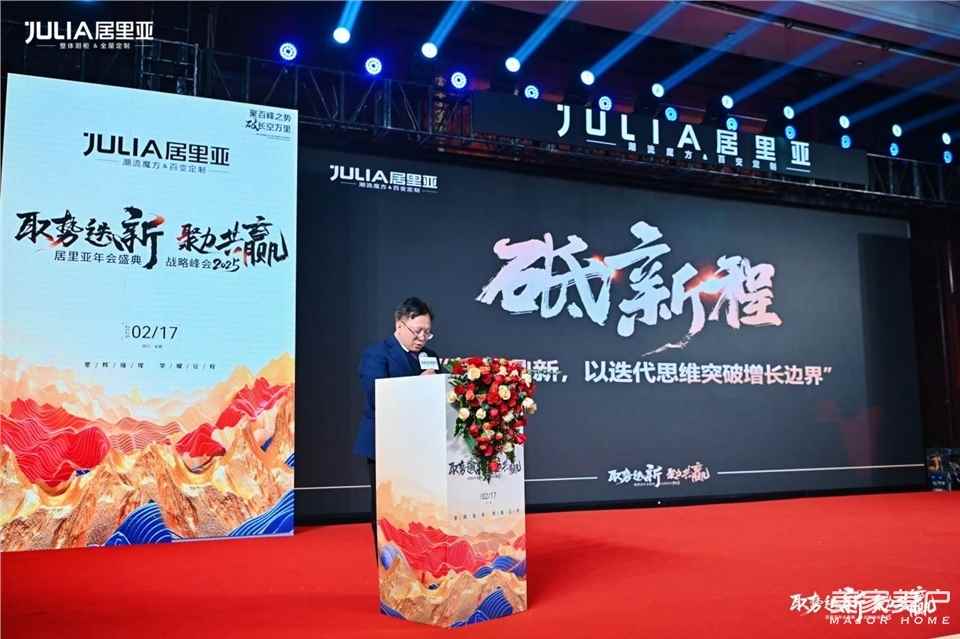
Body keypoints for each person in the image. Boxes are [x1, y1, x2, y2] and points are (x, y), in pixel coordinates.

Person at [354, 297, 442, 558]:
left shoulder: (430, 357)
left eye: (427, 332)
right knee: (388, 510)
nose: (422, 338)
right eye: (417, 331)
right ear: (399, 325)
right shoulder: (376, 354)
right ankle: (388, 567)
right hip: (386, 444)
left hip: (422, 446)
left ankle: (421, 561)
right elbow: (376, 395)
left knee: (421, 510)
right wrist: (418, 384)